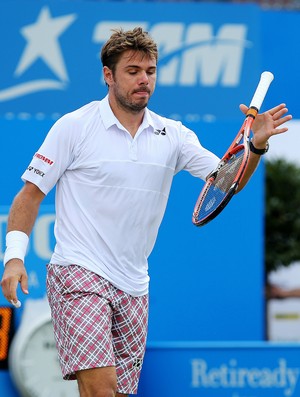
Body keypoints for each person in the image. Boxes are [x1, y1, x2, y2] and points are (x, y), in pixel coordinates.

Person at [0, 27, 292, 397]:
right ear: (108, 75)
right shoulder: (73, 127)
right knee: (101, 390)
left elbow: (224, 182)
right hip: (78, 273)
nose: (144, 80)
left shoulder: (174, 135)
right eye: (133, 71)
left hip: (135, 284)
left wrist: (257, 145)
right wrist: (13, 259)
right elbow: (29, 195)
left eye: (150, 71)